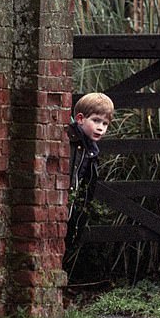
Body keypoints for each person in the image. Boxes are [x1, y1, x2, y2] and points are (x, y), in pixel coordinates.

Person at [65, 92, 115, 254]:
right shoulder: (70, 142)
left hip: (73, 211)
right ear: (80, 119)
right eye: (96, 120)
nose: (100, 127)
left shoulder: (91, 150)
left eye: (105, 123)